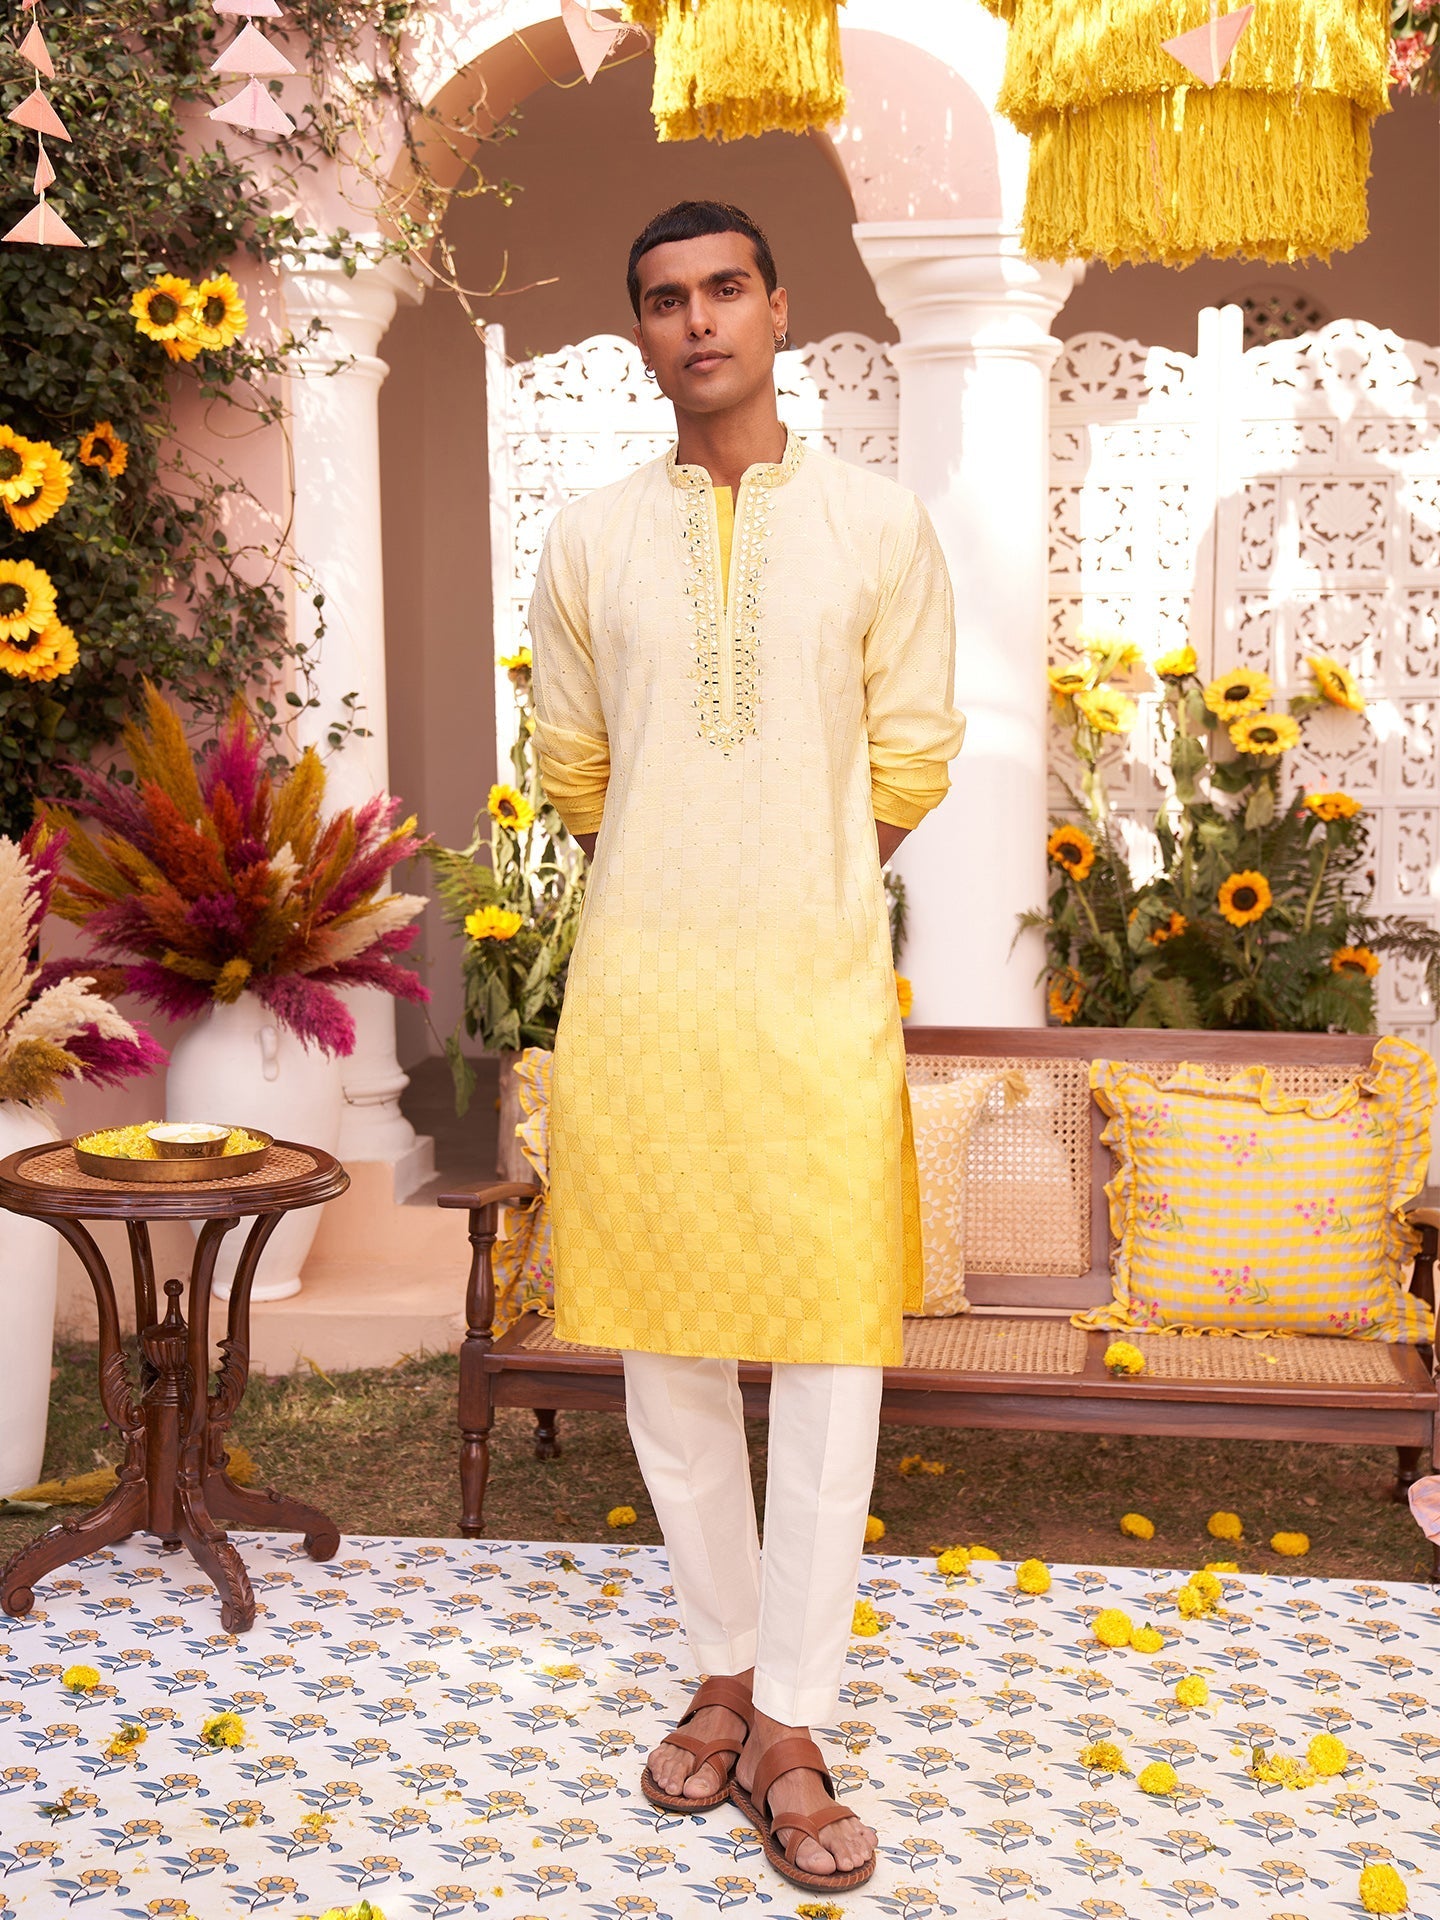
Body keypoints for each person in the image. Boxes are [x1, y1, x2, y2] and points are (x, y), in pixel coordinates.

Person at [528, 198, 964, 1895]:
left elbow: (912, 751)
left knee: (833, 1350)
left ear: (780, 308)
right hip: (643, 993)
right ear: (640, 332)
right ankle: (721, 1669)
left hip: (815, 992)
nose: (698, 320)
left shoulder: (875, 524)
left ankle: (792, 1717)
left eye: (725, 289)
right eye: (665, 299)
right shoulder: (588, 539)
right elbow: (573, 761)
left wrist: (798, 880)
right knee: (668, 1345)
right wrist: (677, 878)